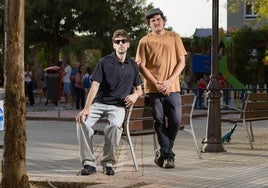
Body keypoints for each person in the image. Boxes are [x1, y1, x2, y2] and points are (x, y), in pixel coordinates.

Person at [75, 29, 143, 176]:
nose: (120, 44)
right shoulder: (104, 62)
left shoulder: (133, 65)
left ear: (128, 44)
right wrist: (86, 108)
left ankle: (108, 163)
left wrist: (135, 95)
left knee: (114, 127)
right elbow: (95, 86)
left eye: (123, 41)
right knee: (82, 121)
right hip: (99, 103)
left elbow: (140, 90)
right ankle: (88, 163)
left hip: (118, 107)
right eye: (117, 42)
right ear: (113, 45)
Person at [135, 8, 187, 169]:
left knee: (176, 121)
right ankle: (168, 156)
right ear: (149, 24)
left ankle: (163, 151)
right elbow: (141, 66)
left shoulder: (174, 37)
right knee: (158, 120)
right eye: (152, 21)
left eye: (158, 19)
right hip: (153, 88)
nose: (156, 22)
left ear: (163, 20)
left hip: (173, 87)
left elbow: (181, 62)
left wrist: (170, 81)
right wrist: (157, 83)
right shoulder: (144, 41)